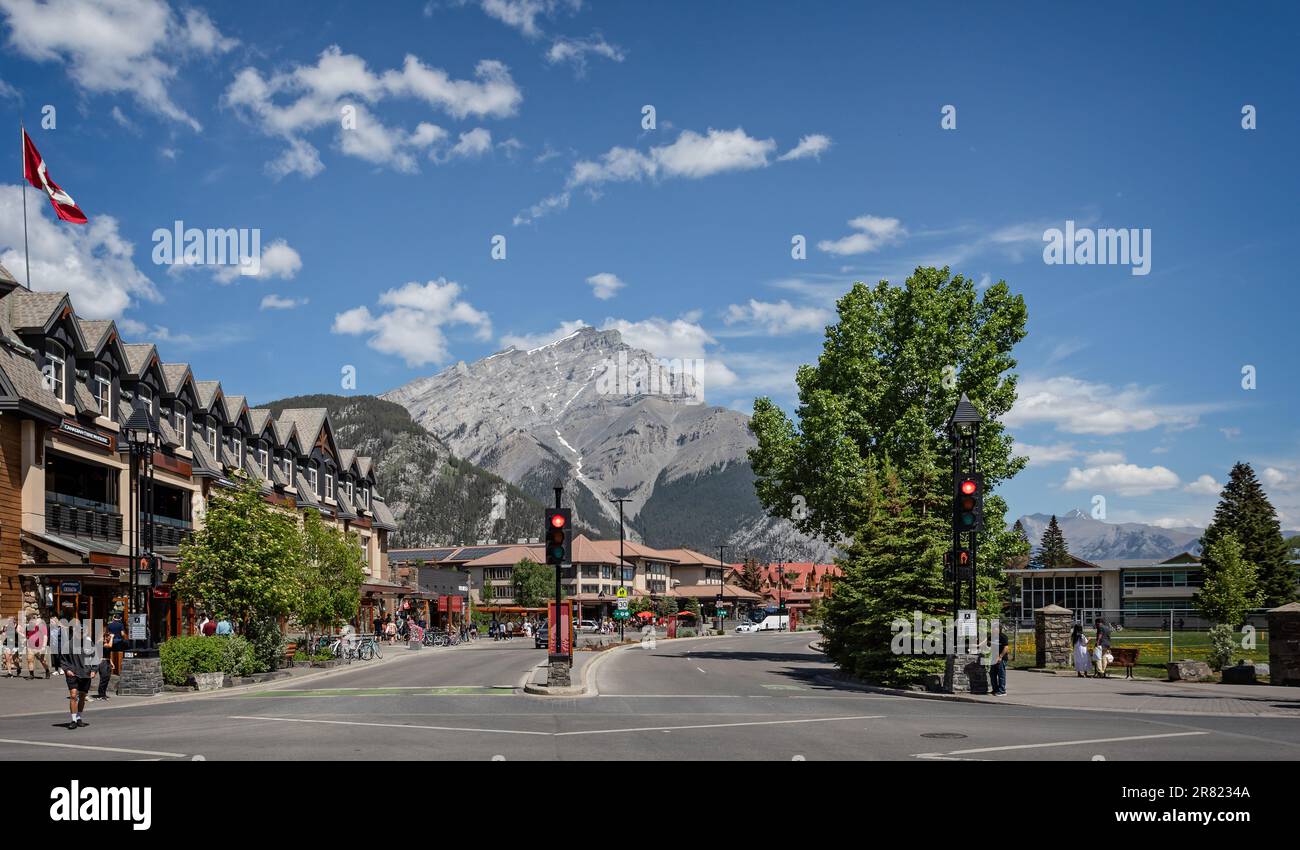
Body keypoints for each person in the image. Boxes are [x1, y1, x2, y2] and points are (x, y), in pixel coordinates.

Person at [55, 620, 97, 729]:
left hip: (85, 673)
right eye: (79, 631)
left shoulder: (89, 644)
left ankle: (79, 718)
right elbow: (63, 660)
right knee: (73, 695)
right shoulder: (69, 644)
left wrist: (94, 670)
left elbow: (95, 658)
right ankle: (73, 720)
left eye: (83, 631)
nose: (81, 633)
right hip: (72, 673)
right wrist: (67, 670)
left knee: (82, 696)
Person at [25, 614, 50, 679]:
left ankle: (47, 670)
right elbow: (28, 636)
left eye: (31, 621)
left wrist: (44, 646)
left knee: (42, 660)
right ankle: (31, 675)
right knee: (30, 659)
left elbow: (45, 636)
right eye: (29, 622)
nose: (30, 623)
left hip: (40, 646)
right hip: (31, 646)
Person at [92, 628, 113, 701]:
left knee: (107, 678)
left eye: (109, 635)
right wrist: (112, 638)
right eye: (107, 635)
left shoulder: (105, 641)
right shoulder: (99, 642)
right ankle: (100, 694)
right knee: (103, 678)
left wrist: (111, 662)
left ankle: (103, 694)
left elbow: (108, 654)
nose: (109, 637)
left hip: (107, 661)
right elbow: (110, 646)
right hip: (102, 662)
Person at [990, 624, 1010, 696]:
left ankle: (1002, 691)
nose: (993, 630)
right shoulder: (993, 636)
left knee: (1001, 674)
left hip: (1001, 658)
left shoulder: (1003, 637)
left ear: (999, 629)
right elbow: (986, 641)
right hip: (993, 658)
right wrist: (978, 645)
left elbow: (1006, 648)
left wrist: (1000, 656)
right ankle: (995, 689)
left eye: (994, 628)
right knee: (992, 674)